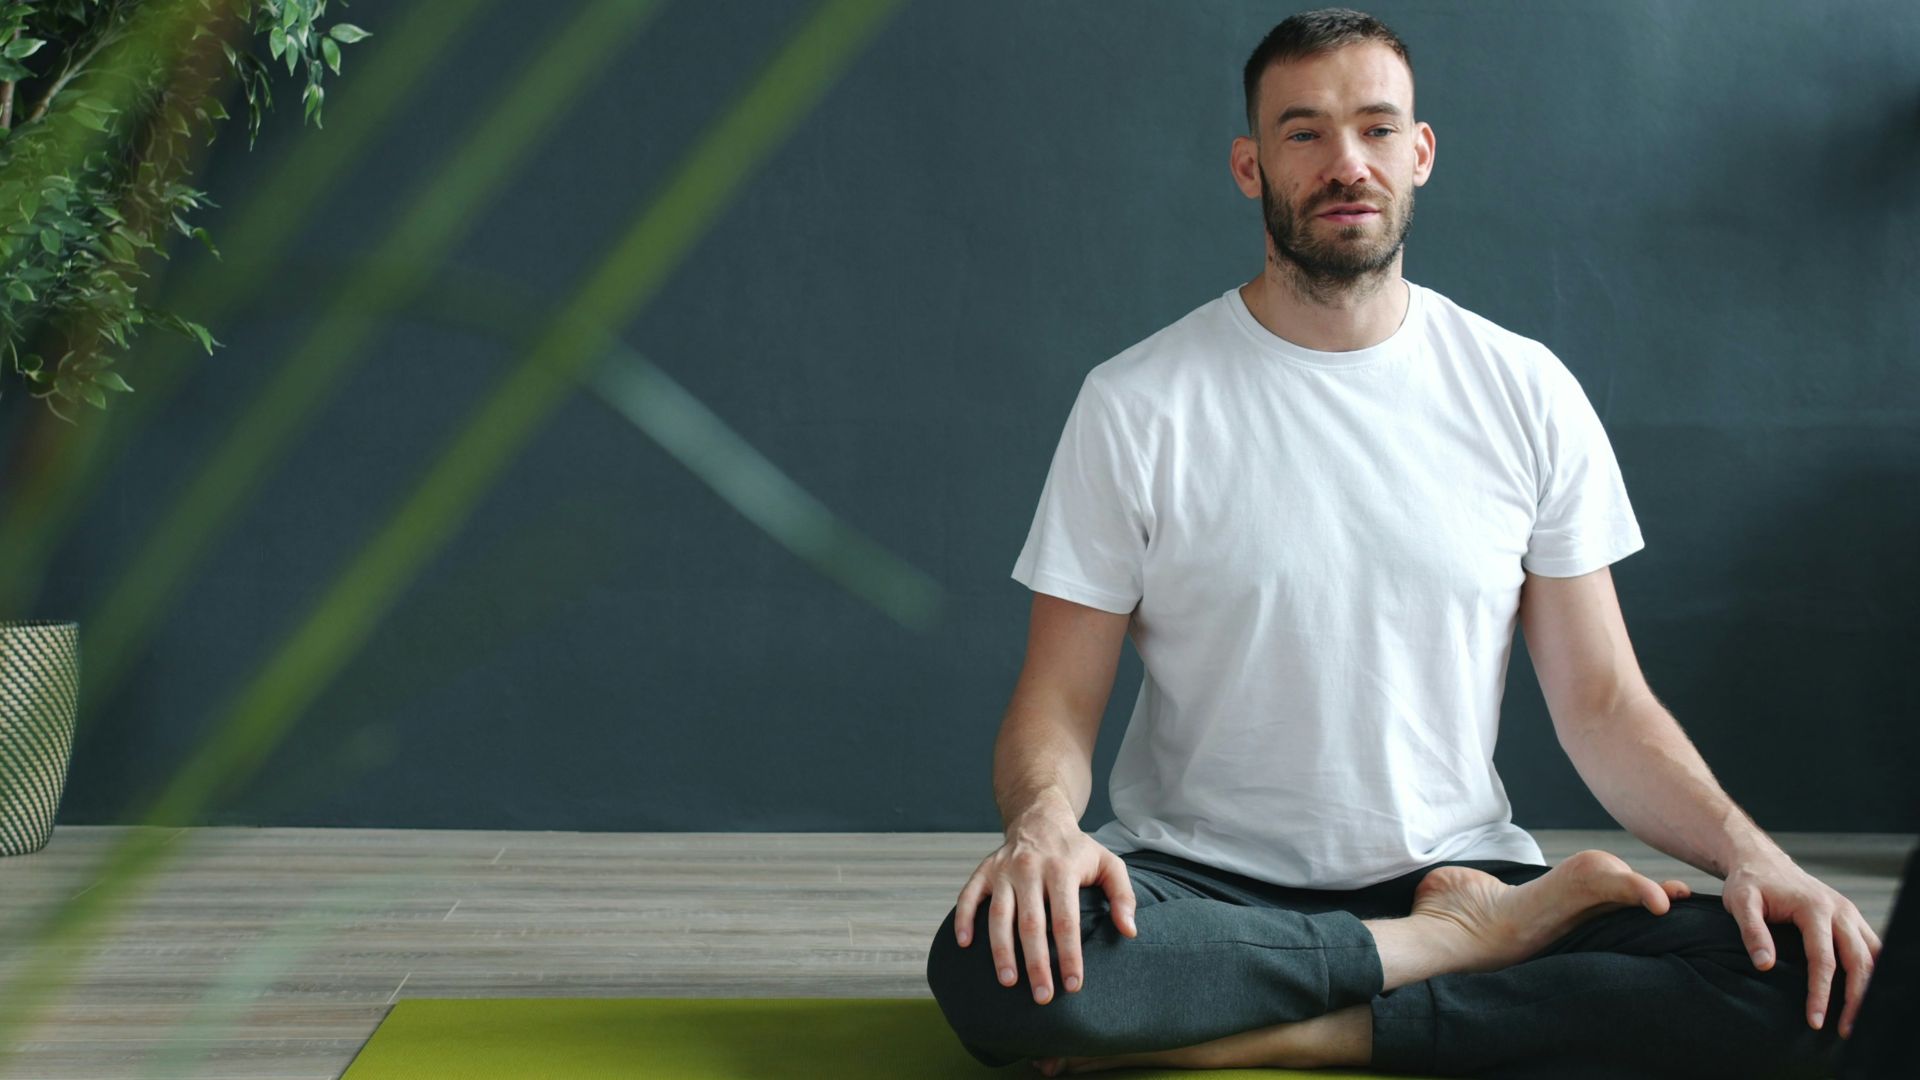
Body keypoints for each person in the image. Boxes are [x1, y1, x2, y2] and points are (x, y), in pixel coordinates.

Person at [923, 8, 1882, 1077]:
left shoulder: (1523, 390)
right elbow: (1055, 701)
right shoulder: (1137, 403)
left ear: (1419, 153)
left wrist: (1758, 859)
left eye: (1378, 129)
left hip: (1458, 868)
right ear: (1251, 166)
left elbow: (1605, 702)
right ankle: (1442, 961)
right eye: (1305, 133)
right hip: (1202, 888)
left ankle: (1306, 1022)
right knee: (990, 966)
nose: (1347, 163)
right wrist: (1046, 828)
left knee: (1807, 973)